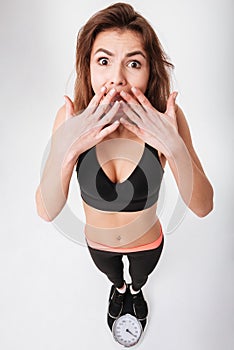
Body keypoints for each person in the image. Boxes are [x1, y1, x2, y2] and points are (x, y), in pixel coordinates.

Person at [35, 2, 213, 323]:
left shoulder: (166, 121)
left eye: (133, 63)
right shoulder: (71, 118)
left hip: (147, 244)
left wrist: (173, 148)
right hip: (98, 245)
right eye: (104, 61)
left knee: (139, 277)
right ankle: (119, 288)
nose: (116, 78)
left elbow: (203, 206)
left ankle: (137, 288)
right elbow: (46, 211)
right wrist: (65, 149)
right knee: (114, 277)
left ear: (150, 71)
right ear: (87, 67)